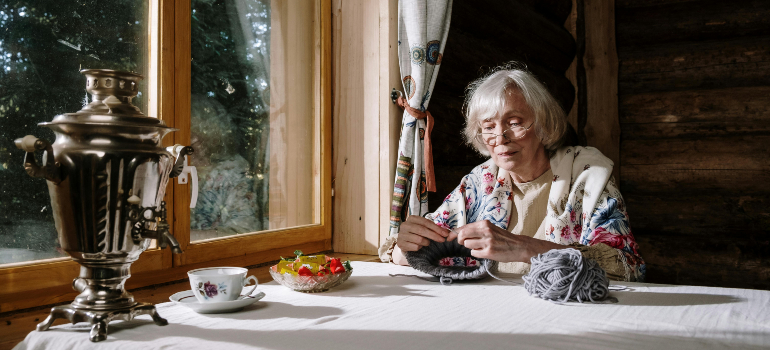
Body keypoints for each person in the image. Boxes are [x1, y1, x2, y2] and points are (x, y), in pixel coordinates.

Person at [379, 64, 645, 282]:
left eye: (514, 123)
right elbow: (427, 250)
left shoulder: (587, 177)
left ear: (542, 124)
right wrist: (406, 245)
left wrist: (524, 247)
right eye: (489, 126)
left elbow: (627, 266)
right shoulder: (480, 182)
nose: (500, 137)